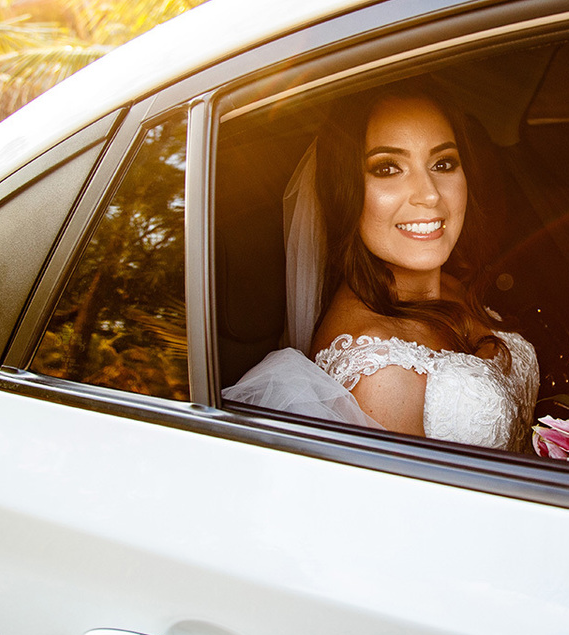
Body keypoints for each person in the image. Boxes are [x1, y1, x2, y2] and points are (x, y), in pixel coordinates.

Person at [225, 80, 540, 452]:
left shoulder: (453, 285)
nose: (429, 194)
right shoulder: (380, 373)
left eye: (443, 163)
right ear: (347, 189)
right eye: (388, 168)